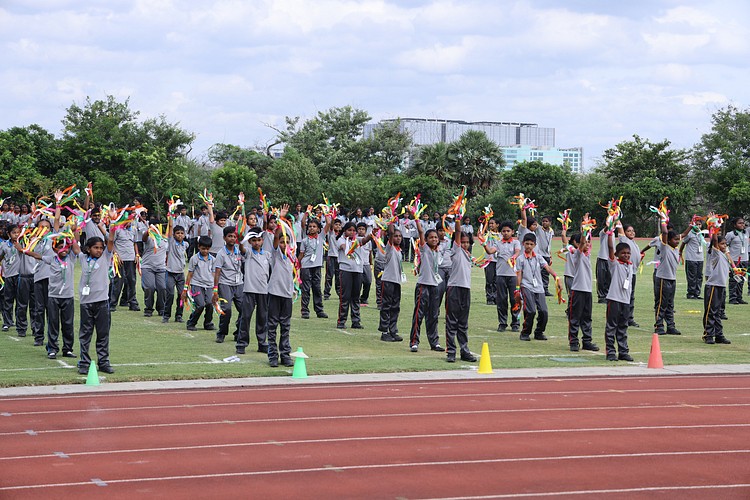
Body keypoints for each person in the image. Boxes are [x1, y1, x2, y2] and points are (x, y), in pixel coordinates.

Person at [76, 220, 116, 375]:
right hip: (86, 303)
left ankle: (104, 362)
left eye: (101, 248)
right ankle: (84, 363)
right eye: (95, 248)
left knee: (103, 334)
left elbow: (111, 239)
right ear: (88, 249)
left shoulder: (105, 257)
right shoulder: (82, 258)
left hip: (102, 303)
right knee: (85, 334)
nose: (99, 250)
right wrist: (75, 228)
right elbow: (74, 242)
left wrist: (113, 223)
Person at [330, 216, 375, 330]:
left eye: (354, 230)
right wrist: (353, 245)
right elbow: (344, 247)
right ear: (345, 231)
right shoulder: (340, 239)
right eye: (349, 230)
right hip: (346, 270)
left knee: (355, 297)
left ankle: (356, 321)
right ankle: (341, 320)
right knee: (345, 296)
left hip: (358, 270)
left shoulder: (357, 240)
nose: (352, 232)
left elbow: (365, 240)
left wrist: (372, 234)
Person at [514, 233, 559, 342]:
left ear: (535, 245)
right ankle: (525, 332)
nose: (529, 246)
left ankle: (539, 332)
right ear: (523, 244)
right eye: (527, 244)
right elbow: (519, 274)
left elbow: (547, 268)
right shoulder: (520, 259)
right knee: (531, 311)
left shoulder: (538, 257)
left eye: (531, 244)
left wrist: (556, 276)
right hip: (526, 286)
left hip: (539, 287)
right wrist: (517, 289)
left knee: (544, 311)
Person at [408, 217, 444, 352]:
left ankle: (434, 342)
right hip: (423, 285)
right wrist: (417, 219)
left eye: (435, 237)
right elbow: (421, 232)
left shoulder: (438, 251)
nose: (434, 239)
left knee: (433, 315)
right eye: (431, 237)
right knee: (419, 314)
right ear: (426, 240)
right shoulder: (424, 249)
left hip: (435, 286)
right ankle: (414, 342)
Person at [444, 215, 477, 363]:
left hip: (465, 289)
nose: (465, 244)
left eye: (467, 242)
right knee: (452, 322)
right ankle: (451, 351)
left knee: (463, 323)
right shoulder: (456, 250)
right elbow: (457, 231)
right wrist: (458, 217)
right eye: (462, 242)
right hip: (454, 289)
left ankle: (464, 350)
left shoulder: (468, 255)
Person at [266, 209, 296, 367]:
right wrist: (280, 220)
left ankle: (285, 354)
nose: (284, 244)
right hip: (274, 293)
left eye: (287, 242)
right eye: (282, 241)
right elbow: (276, 238)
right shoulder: (276, 254)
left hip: (287, 295)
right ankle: (272, 355)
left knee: (286, 326)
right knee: (272, 325)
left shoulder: (292, 257)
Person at [212, 226, 246, 348]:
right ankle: (222, 333)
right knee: (226, 309)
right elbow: (217, 272)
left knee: (244, 309)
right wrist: (215, 290)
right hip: (225, 284)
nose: (232, 238)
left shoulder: (239, 251)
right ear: (224, 238)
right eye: (229, 236)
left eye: (234, 236)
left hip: (239, 283)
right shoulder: (221, 254)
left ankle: (239, 332)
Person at [484, 221, 521, 333]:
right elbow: (490, 251)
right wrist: (484, 244)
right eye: (503, 231)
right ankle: (502, 322)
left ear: (512, 232)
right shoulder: (498, 243)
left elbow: (517, 252)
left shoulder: (515, 242)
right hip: (500, 275)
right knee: (501, 300)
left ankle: (515, 323)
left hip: (513, 275)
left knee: (514, 299)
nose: (506, 233)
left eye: (508, 231)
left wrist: (513, 257)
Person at [567, 226, 599, 352]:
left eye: (588, 242)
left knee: (587, 317)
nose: (587, 244)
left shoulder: (587, 256)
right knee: (575, 317)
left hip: (587, 291)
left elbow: (587, 244)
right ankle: (573, 341)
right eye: (585, 242)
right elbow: (581, 244)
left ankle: (587, 341)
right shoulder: (578, 254)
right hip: (578, 290)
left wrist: (588, 233)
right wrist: (584, 230)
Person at [238, 227, 270, 354]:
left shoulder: (267, 254)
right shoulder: (248, 253)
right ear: (250, 241)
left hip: (263, 290)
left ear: (262, 241)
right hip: (249, 289)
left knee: (262, 317)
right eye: (254, 240)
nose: (257, 243)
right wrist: (242, 239)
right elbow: (242, 248)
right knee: (245, 317)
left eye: (259, 240)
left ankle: (262, 343)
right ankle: (241, 343)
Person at [605, 230, 634, 361]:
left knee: (623, 326)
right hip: (614, 299)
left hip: (625, 301)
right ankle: (611, 351)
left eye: (628, 253)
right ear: (617, 254)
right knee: (612, 326)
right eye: (623, 253)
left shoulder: (630, 266)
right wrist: (610, 233)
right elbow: (610, 247)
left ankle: (623, 351)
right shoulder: (615, 264)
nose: (626, 255)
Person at [703, 233, 732, 345]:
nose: (724, 246)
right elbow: (715, 240)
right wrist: (714, 228)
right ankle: (708, 335)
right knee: (711, 311)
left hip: (721, 286)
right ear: (716, 245)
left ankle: (719, 335)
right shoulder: (716, 253)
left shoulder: (724, 255)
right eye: (722, 244)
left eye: (725, 244)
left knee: (718, 312)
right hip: (713, 286)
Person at [654, 218, 681, 335]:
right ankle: (659, 325)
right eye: (675, 239)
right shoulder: (665, 247)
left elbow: (684, 234)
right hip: (663, 279)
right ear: (668, 240)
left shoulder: (676, 249)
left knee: (670, 304)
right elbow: (665, 232)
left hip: (672, 279)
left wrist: (691, 225)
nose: (677, 241)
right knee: (661, 303)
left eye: (678, 239)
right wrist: (663, 219)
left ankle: (671, 326)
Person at [183, 236, 216, 332]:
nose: (205, 251)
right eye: (203, 248)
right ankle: (191, 322)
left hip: (209, 285)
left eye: (207, 249)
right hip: (197, 284)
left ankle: (208, 323)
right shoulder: (194, 259)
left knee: (209, 303)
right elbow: (190, 274)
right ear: (198, 247)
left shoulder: (213, 259)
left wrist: (215, 288)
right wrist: (186, 288)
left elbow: (214, 274)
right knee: (200, 304)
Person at [378, 221, 404, 342]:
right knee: (386, 306)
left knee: (395, 307)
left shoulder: (399, 250)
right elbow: (391, 232)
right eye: (395, 236)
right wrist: (391, 221)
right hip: (388, 280)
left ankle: (393, 330)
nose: (398, 238)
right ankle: (384, 331)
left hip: (396, 281)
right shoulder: (390, 248)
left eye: (400, 236)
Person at [298, 217, 327, 319]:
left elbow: (328, 224)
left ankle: (319, 310)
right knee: (306, 289)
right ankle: (305, 311)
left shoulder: (321, 237)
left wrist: (327, 213)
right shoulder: (305, 240)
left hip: (317, 266)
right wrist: (297, 264)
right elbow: (301, 254)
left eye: (314, 226)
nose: (312, 228)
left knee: (317, 288)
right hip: (306, 266)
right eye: (310, 226)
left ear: (318, 229)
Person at [110, 211, 140, 312]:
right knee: (118, 282)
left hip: (131, 258)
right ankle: (113, 303)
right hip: (120, 259)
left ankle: (132, 302)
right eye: (128, 220)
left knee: (132, 281)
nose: (129, 222)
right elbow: (111, 242)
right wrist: (115, 254)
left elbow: (135, 243)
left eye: (131, 220)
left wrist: (137, 254)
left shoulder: (133, 230)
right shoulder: (117, 229)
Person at [140, 217, 168, 318]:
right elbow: (143, 238)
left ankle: (161, 308)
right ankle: (148, 308)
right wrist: (149, 231)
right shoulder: (148, 237)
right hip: (148, 267)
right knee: (149, 288)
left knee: (162, 288)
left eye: (157, 226)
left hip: (161, 268)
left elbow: (167, 253)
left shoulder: (165, 239)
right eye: (154, 227)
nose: (156, 228)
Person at [164, 217, 187, 323]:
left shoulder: (185, 244)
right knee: (170, 294)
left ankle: (179, 315)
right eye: (177, 233)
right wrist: (171, 215)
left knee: (181, 295)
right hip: (170, 273)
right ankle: (166, 315)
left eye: (182, 233)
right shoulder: (172, 242)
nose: (180, 235)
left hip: (180, 274)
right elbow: (170, 226)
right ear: (173, 235)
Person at [618, 224, 642, 327]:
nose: (632, 232)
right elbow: (620, 228)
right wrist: (615, 217)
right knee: (625, 296)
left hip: (633, 273)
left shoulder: (634, 243)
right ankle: (623, 318)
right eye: (629, 231)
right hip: (626, 273)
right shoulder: (624, 241)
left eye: (633, 230)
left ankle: (629, 317)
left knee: (631, 296)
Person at [0, 224, 21, 332]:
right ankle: (7, 322)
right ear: (9, 234)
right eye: (14, 233)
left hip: (20, 275)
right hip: (8, 275)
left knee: (20, 300)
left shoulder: (23, 243)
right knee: (8, 299)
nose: (16, 235)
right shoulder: (4, 245)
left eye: (18, 232)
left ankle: (19, 322)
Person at [725, 217, 749, 305]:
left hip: (744, 260)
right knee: (734, 279)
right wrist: (728, 256)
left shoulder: (746, 233)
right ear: (735, 225)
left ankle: (739, 297)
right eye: (740, 223)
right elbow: (724, 245)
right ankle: (733, 298)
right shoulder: (730, 234)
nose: (742, 225)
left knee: (741, 280)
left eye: (743, 223)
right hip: (734, 261)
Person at [680, 220, 705, 300]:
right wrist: (680, 252)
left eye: (699, 224)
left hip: (700, 258)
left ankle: (697, 293)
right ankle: (691, 293)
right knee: (692, 276)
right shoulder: (689, 234)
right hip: (691, 258)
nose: (698, 226)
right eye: (696, 224)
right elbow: (683, 242)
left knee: (699, 276)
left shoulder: (701, 233)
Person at [480, 218, 500, 305]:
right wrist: (484, 222)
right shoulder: (487, 234)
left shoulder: (501, 235)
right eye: (490, 223)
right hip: (489, 260)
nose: (491, 225)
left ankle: (496, 297)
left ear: (497, 225)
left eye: (492, 223)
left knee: (496, 280)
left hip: (498, 260)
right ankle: (489, 298)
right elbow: (481, 234)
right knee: (489, 280)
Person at [323, 218, 342, 300]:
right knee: (329, 276)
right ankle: (326, 293)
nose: (337, 226)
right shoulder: (331, 233)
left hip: (339, 258)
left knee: (339, 276)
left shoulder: (342, 235)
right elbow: (330, 225)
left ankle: (339, 292)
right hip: (331, 256)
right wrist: (333, 218)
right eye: (336, 224)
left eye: (339, 225)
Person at [357, 222, 373, 306]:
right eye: (359, 229)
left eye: (363, 229)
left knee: (368, 282)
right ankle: (356, 298)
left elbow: (370, 253)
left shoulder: (368, 241)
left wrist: (371, 263)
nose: (361, 231)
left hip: (366, 264)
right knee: (358, 283)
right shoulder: (355, 239)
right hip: (357, 264)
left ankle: (364, 298)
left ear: (366, 231)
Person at [595, 228, 611, 303]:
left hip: (610, 259)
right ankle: (601, 296)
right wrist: (608, 225)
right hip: (602, 257)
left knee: (609, 278)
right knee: (601, 279)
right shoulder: (603, 233)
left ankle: (608, 296)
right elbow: (605, 230)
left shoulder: (613, 234)